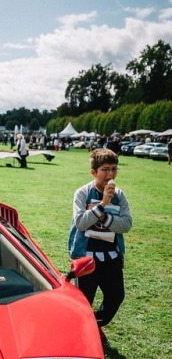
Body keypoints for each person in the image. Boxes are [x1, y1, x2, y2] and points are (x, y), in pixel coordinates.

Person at [68, 148, 133, 346]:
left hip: (111, 255)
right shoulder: (83, 193)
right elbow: (81, 222)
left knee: (116, 295)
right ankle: (82, 336)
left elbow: (126, 224)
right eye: (105, 169)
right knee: (84, 299)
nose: (111, 174)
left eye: (114, 169)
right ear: (94, 172)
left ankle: (96, 322)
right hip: (86, 256)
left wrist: (101, 216)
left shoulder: (120, 196)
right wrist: (103, 203)